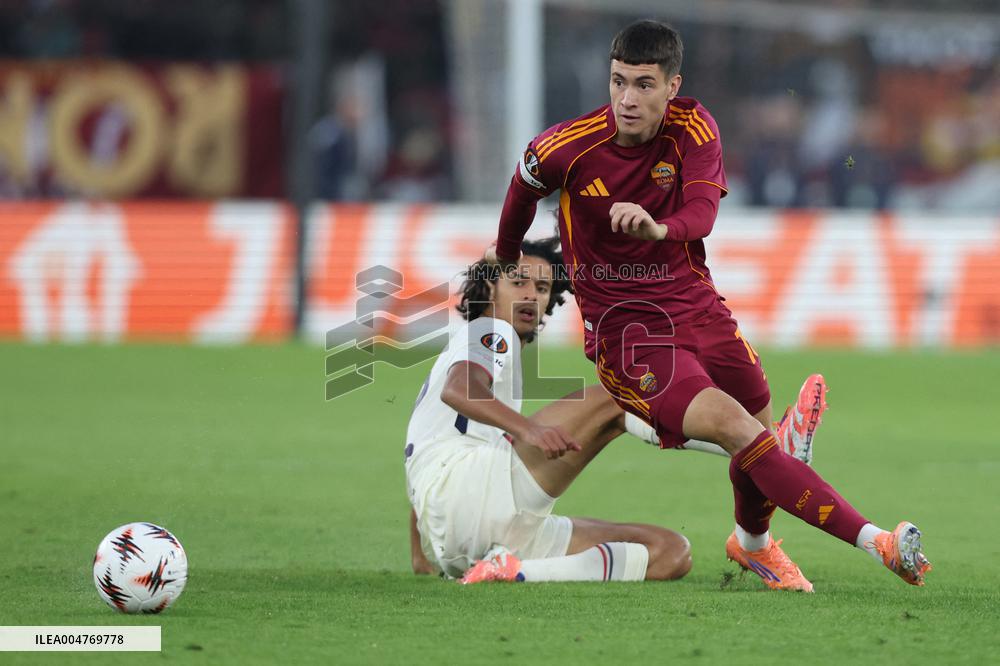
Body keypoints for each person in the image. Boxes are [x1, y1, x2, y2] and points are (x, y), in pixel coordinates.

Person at [487, 20, 930, 591]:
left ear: (673, 86)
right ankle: (881, 544)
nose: (626, 98)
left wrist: (657, 227)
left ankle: (754, 546)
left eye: (644, 84)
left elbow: (703, 214)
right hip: (628, 334)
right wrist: (503, 263)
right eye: (618, 81)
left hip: (699, 309)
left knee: (757, 438)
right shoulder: (566, 147)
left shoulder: (694, 128)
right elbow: (520, 194)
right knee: (740, 431)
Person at [405, 238, 822, 584]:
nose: (532, 294)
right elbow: (460, 390)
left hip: (461, 538)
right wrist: (528, 432)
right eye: (518, 282)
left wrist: (422, 554)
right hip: (472, 493)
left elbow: (428, 457)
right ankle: (765, 447)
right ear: (489, 291)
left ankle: (514, 571)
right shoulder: (491, 331)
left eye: (543, 287)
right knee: (616, 393)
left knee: (670, 553)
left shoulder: (472, 345)